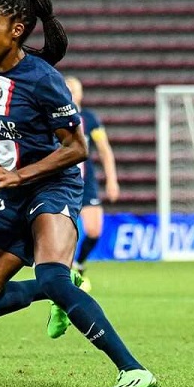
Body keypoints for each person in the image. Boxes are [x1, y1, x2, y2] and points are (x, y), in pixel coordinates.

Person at [0, 0, 156, 387]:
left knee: (52, 271)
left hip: (52, 185)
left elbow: (77, 148)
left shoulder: (45, 80)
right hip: (11, 192)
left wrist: (21, 175)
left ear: (17, 30)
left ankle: (133, 370)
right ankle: (54, 289)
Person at [64, 76, 120, 281]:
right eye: (66, 88)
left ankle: (78, 265)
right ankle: (62, 273)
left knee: (94, 230)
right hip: (62, 183)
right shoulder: (53, 117)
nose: (70, 92)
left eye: (74, 88)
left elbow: (105, 151)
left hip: (86, 184)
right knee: (63, 233)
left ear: (81, 93)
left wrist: (112, 180)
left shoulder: (90, 119)